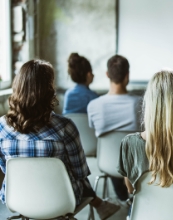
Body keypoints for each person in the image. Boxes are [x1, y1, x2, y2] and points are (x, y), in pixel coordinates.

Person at [0, 60, 120, 219]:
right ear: (48, 90)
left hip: (18, 199)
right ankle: (101, 205)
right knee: (74, 173)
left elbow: (5, 168)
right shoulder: (65, 127)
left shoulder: (2, 126)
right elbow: (80, 171)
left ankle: (101, 205)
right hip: (61, 200)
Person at [87, 55, 142, 203]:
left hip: (108, 163)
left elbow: (94, 130)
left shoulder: (94, 105)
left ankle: (123, 197)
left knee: (118, 159)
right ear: (127, 75)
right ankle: (133, 199)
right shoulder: (141, 104)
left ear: (107, 75)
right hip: (136, 164)